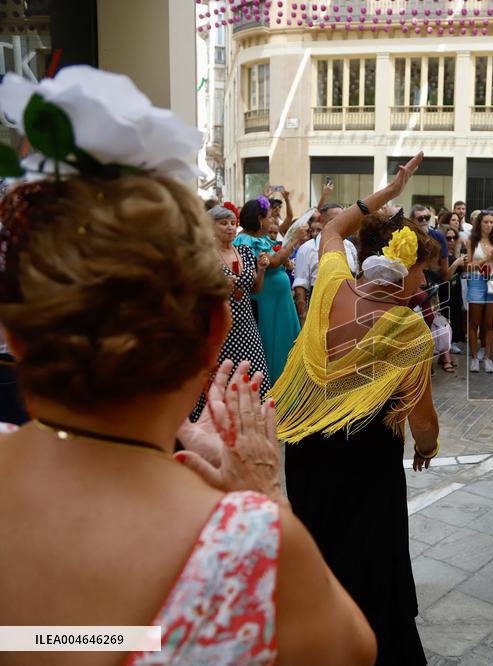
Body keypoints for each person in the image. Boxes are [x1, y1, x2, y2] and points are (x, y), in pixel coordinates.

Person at [0, 64, 375, 664]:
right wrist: (266, 493)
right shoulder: (249, 545)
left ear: (14, 333)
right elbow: (354, 651)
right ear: (213, 337)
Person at [271, 154, 441, 666]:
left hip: (307, 451)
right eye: (421, 273)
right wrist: (428, 450)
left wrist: (389, 190)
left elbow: (337, 223)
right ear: (405, 265)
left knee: (318, 547)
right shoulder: (407, 327)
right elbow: (423, 422)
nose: (422, 285)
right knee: (369, 562)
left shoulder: (329, 283)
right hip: (367, 461)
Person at [191, 205, 271, 420]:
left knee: (255, 374)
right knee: (221, 378)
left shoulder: (244, 251)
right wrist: (217, 286)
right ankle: (217, 423)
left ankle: (250, 420)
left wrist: (261, 270)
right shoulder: (205, 255)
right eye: (223, 223)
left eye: (232, 223)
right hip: (220, 326)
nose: (229, 227)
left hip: (246, 326)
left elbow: (255, 289)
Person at [234, 198, 307, 383]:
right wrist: (295, 240)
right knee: (273, 345)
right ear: (259, 219)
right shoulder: (244, 241)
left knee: (285, 343)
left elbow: (278, 257)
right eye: (269, 218)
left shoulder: (262, 238)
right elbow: (272, 260)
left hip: (279, 300)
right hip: (267, 302)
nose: (272, 222)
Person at [465, 209, 493, 373]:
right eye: (485, 222)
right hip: (476, 280)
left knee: (489, 324)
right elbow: (469, 266)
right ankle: (474, 358)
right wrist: (485, 260)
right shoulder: (472, 241)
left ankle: (487, 358)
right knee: (474, 322)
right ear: (479, 223)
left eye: (491, 222)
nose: (488, 225)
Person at [442, 227, 467, 358]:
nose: (451, 240)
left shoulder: (456, 253)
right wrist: (457, 263)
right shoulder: (443, 255)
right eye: (448, 238)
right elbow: (445, 275)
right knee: (446, 316)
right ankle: (446, 346)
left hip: (456, 289)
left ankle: (454, 342)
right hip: (444, 290)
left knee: (456, 315)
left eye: (454, 238)